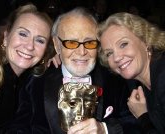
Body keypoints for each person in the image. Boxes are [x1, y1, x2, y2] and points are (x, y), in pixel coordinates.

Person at [8, 7, 141, 134]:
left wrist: (105, 129)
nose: (82, 52)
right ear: (57, 44)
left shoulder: (114, 78)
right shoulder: (35, 81)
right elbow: (18, 127)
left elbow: (135, 123)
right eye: (71, 43)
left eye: (89, 43)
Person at [98, 12, 165, 134]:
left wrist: (142, 116)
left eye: (123, 44)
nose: (116, 58)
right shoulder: (138, 77)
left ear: (146, 41)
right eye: (109, 53)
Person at [0, 3, 52, 133]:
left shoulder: (26, 81)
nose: (30, 46)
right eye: (23, 34)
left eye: (40, 40)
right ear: (6, 38)